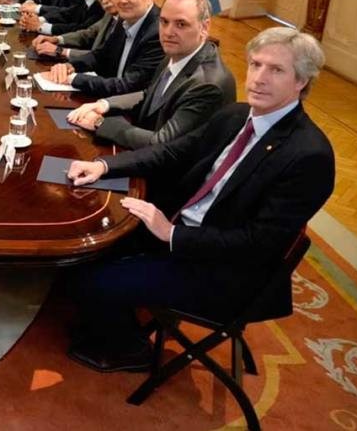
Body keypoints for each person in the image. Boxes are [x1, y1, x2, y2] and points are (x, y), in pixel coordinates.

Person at [65, 27, 335, 373]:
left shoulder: (309, 155)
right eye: (256, 64)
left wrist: (172, 234)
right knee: (85, 248)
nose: (259, 78)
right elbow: (174, 151)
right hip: (185, 227)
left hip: (224, 270)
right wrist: (104, 165)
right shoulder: (236, 115)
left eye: (276, 70)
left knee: (91, 280)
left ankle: (131, 351)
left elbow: (258, 244)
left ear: (301, 81)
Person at [67, 0, 236, 150]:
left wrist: (99, 123)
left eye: (181, 24)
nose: (168, 32)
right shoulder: (177, 52)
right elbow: (150, 95)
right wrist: (105, 104)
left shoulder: (208, 85)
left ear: (204, 27)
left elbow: (163, 142)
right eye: (164, 22)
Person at [40, 0, 164, 97]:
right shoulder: (125, 18)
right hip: (110, 97)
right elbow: (100, 55)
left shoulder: (158, 32)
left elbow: (129, 85)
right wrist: (69, 66)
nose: (123, 0)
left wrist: (73, 79)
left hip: (128, 105)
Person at [33, 0, 120, 59]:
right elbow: (88, 34)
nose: (104, 1)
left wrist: (60, 51)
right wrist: (57, 39)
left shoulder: (126, 22)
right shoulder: (109, 15)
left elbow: (106, 57)